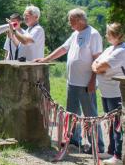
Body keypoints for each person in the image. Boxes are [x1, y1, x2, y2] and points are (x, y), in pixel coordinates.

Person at [35, 8, 105, 155]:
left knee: (90, 115)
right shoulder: (75, 34)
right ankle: (74, 140)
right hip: (72, 82)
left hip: (86, 83)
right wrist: (46, 59)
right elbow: (63, 49)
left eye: (71, 20)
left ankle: (97, 145)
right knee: (72, 113)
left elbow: (98, 59)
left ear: (80, 19)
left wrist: (93, 80)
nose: (69, 23)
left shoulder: (93, 34)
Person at [92, 23, 125, 165]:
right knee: (109, 123)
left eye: (108, 33)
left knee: (117, 124)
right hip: (106, 92)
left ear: (117, 35)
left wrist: (99, 68)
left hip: (116, 93)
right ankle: (110, 150)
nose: (106, 36)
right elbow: (95, 63)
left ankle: (118, 155)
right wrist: (98, 68)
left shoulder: (122, 51)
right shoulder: (110, 49)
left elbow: (100, 66)